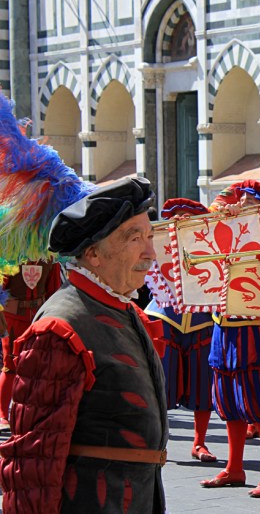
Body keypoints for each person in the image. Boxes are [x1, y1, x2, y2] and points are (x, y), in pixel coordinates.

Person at [0, 177, 168, 513]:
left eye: (150, 236)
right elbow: (34, 459)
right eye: (134, 238)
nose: (150, 252)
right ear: (93, 254)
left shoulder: (123, 308)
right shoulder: (59, 328)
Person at [200, 180, 260, 499]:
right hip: (223, 323)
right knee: (228, 399)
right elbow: (208, 218)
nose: (241, 203)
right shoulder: (230, 224)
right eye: (242, 198)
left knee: (256, 403)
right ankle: (234, 467)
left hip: (252, 324)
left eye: (249, 200)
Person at [145, 198, 217, 463]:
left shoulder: (209, 246)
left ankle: (199, 442)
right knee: (161, 382)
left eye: (186, 218)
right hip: (164, 316)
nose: (180, 222)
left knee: (202, 382)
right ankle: (157, 441)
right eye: (175, 218)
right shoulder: (154, 243)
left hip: (201, 318)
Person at [0, 260, 62, 430]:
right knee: (10, 364)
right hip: (13, 319)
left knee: (37, 366)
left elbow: (53, 292)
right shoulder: (10, 258)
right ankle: (3, 415)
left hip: (38, 318)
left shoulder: (49, 259)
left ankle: (31, 416)